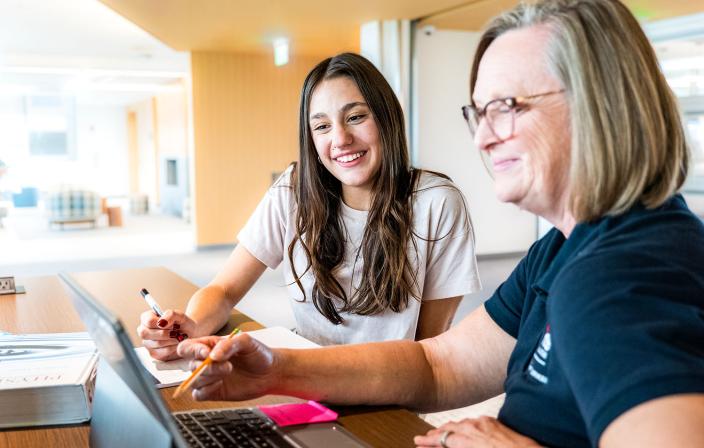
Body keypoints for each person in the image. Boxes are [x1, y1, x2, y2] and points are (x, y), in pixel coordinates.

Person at [176, 1, 704, 447]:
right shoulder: (561, 251)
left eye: (506, 106)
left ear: (602, 104)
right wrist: (278, 370)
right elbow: (438, 364)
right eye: (478, 113)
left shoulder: (625, 274)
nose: (484, 137)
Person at [139, 53, 480, 359]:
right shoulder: (293, 191)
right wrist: (190, 326)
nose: (340, 139)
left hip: (388, 387)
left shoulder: (436, 202)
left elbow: (429, 352)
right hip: (302, 377)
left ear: (387, 118)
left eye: (357, 117)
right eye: (321, 126)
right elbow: (224, 289)